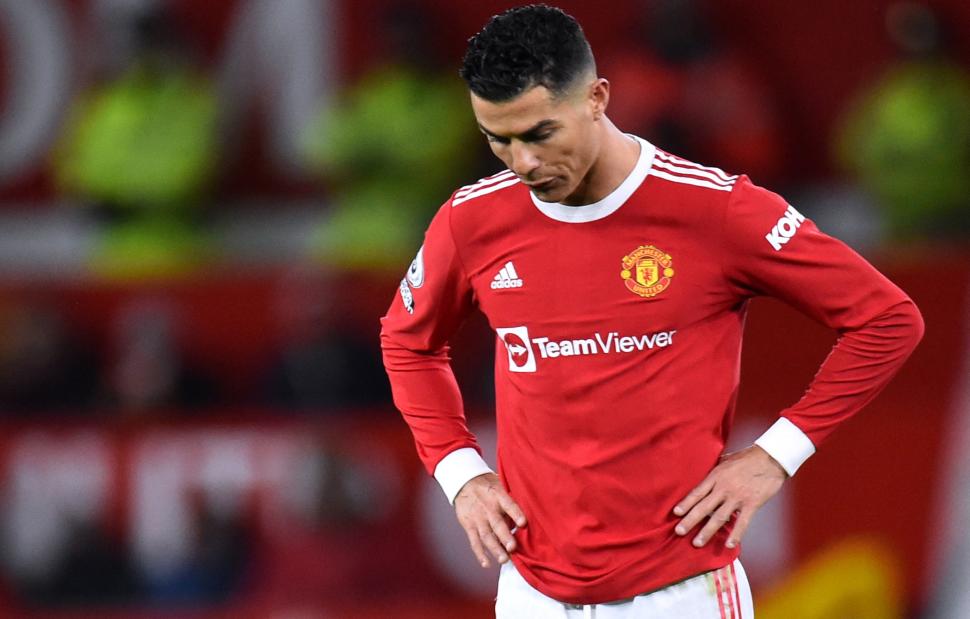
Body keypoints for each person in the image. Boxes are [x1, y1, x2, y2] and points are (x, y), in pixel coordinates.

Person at [380, 5, 923, 618]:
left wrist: (776, 455)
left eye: (539, 134)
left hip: (681, 591)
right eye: (497, 139)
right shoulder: (472, 220)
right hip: (531, 593)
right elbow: (407, 341)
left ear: (597, 98)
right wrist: (459, 472)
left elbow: (887, 319)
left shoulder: (715, 210)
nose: (522, 162)